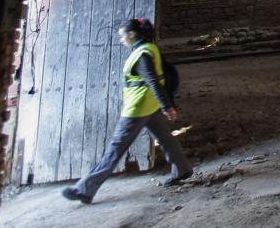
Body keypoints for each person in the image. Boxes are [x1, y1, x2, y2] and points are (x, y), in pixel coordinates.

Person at [61, 18, 193, 204]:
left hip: (137, 108)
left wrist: (167, 106)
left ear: (132, 34)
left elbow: (152, 81)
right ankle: (182, 169)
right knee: (166, 139)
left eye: (123, 36)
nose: (121, 39)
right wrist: (164, 105)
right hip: (150, 106)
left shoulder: (142, 54)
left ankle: (84, 189)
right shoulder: (149, 48)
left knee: (115, 149)